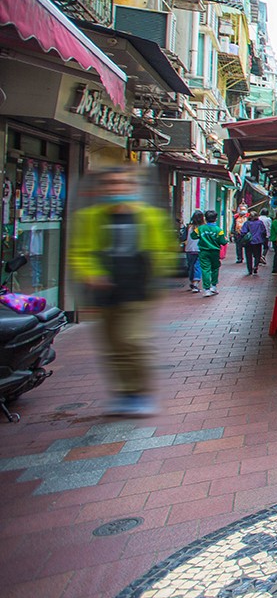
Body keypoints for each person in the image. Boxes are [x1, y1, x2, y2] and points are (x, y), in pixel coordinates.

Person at [70, 167, 175, 416]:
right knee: (112, 344)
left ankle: (139, 391)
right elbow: (79, 252)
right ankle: (124, 393)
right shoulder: (90, 217)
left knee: (133, 340)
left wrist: (156, 278)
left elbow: (166, 250)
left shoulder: (150, 217)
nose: (116, 188)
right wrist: (91, 274)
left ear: (133, 186)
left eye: (121, 183)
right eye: (110, 183)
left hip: (138, 290)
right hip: (105, 293)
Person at [197, 210, 227, 296]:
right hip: (215, 252)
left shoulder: (200, 228)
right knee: (215, 268)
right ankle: (213, 286)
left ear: (205, 219)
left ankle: (206, 289)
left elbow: (193, 236)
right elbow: (223, 242)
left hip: (203, 252)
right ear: (216, 219)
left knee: (205, 269)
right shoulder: (219, 230)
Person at [181, 210, 204, 292]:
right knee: (198, 266)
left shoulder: (189, 227)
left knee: (191, 266)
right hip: (200, 249)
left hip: (189, 249)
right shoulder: (203, 228)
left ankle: (192, 281)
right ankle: (195, 283)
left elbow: (183, 237)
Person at [242, 209, 268, 275]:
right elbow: (264, 231)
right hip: (258, 241)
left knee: (248, 256)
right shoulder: (260, 223)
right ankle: (256, 266)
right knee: (257, 255)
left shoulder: (247, 223)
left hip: (249, 242)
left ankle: (250, 270)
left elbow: (243, 232)